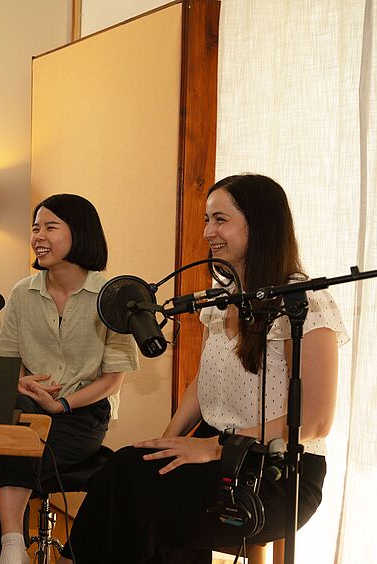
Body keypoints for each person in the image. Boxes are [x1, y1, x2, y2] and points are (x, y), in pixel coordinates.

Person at [58, 174, 348, 563]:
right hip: (215, 449)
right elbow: (201, 384)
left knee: (146, 502)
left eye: (220, 219)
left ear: (259, 225)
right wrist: (165, 443)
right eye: (206, 220)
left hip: (278, 470)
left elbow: (314, 422)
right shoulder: (219, 302)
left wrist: (215, 447)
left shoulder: (305, 304)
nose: (208, 231)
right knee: (127, 467)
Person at [0, 193, 139, 564]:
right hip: (27, 409)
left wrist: (62, 403)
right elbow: (6, 364)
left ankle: (11, 545)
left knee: (10, 444)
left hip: (84, 414)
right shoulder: (23, 292)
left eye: (50, 227)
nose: (38, 236)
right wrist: (21, 383)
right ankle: (13, 546)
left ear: (80, 233)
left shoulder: (112, 295)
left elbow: (112, 380)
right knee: (16, 427)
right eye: (35, 227)